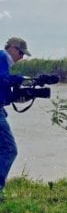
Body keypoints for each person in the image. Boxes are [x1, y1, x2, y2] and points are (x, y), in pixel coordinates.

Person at [0, 37, 30, 200]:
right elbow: (1, 79)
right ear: (11, 48)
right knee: (10, 149)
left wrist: (14, 97)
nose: (21, 57)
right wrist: (18, 79)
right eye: (20, 52)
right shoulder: (1, 58)